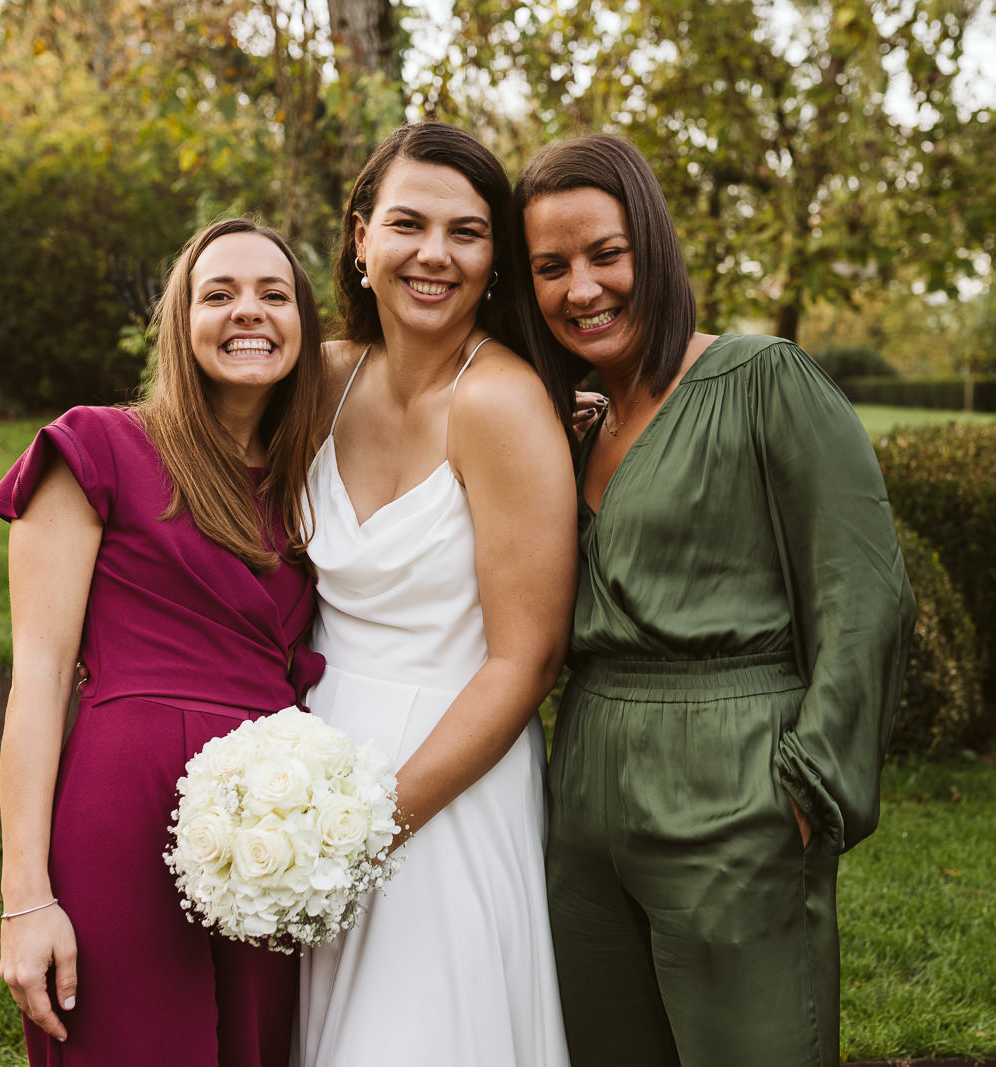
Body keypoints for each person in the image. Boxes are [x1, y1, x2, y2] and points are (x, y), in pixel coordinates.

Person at [511, 133, 917, 1067]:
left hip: (735, 777)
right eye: (551, 267)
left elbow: (865, 592)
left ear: (651, 247)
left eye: (606, 254)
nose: (583, 288)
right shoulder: (567, 426)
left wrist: (814, 783)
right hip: (584, 791)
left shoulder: (764, 379)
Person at [0, 217, 326, 1067]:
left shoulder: (316, 479)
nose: (249, 312)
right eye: (220, 294)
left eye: (273, 294)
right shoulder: (96, 445)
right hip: (122, 811)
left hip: (273, 829)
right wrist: (24, 898)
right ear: (180, 322)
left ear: (304, 325)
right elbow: (36, 682)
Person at [294, 122, 576, 1067]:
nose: (434, 254)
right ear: (361, 235)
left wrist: (372, 826)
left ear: (494, 259)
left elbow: (526, 658)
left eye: (467, 232)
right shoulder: (323, 380)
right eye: (409, 224)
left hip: (448, 779)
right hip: (312, 767)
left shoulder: (501, 402)